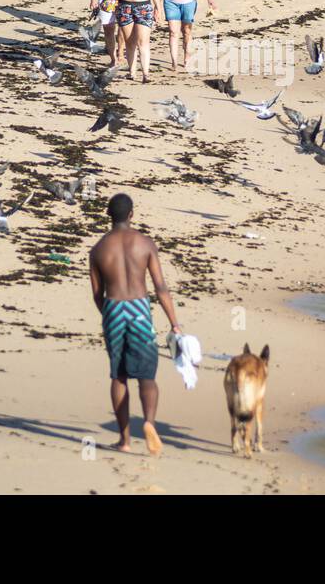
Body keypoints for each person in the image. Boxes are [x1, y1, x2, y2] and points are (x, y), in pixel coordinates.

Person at [89, 193, 182, 455]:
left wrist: (108, 315)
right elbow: (160, 287)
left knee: (118, 376)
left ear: (109, 215)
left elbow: (97, 293)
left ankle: (125, 440)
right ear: (131, 214)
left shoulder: (98, 249)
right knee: (147, 376)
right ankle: (149, 423)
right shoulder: (145, 244)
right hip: (140, 308)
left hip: (113, 308)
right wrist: (174, 324)